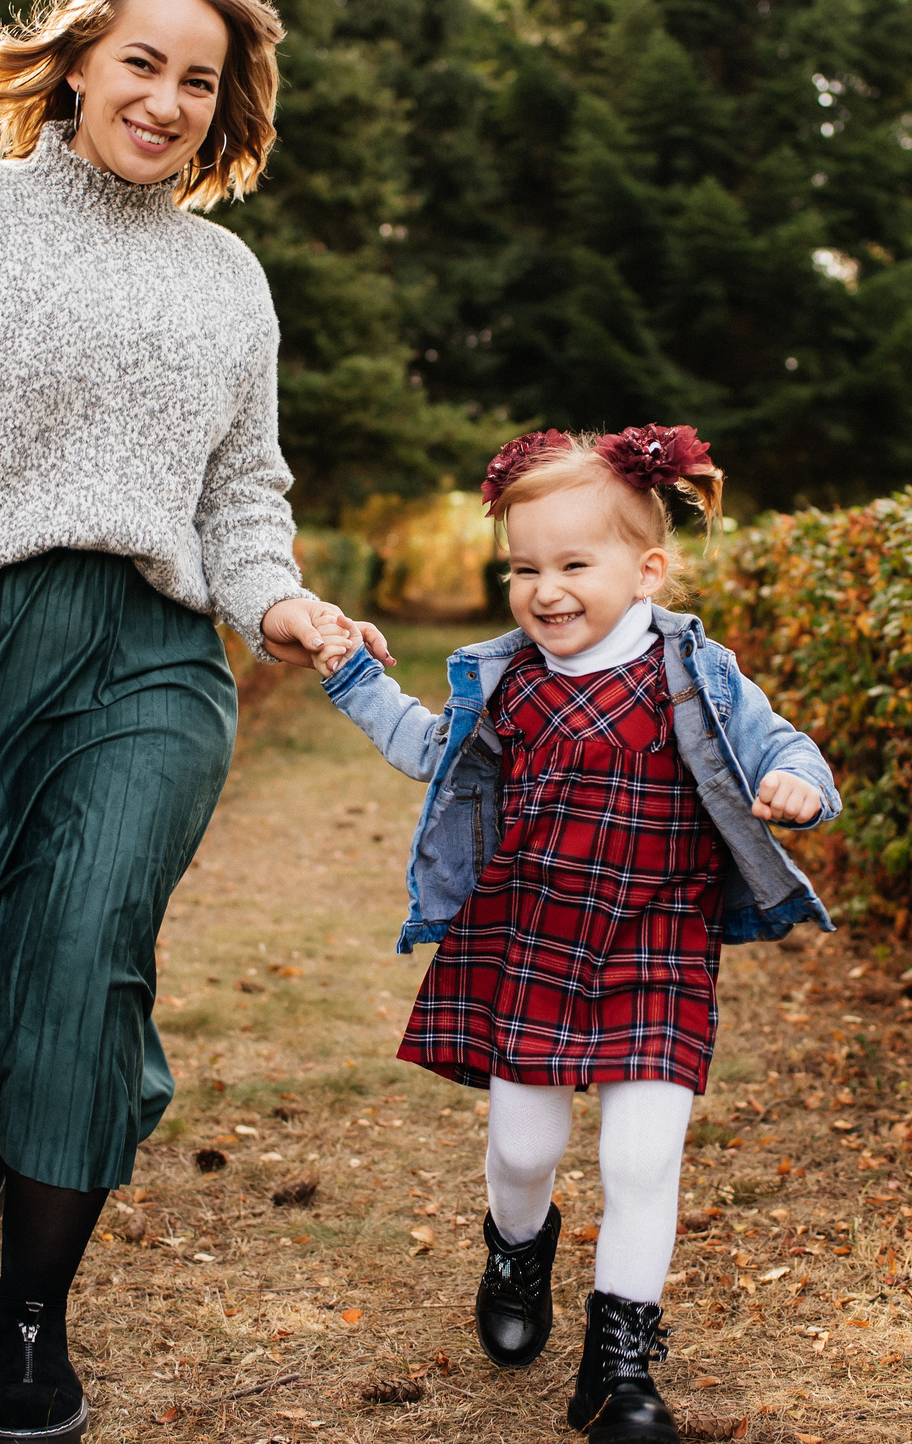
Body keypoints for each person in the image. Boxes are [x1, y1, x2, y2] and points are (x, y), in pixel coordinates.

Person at [0, 0, 381, 1444]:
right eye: (144, 63)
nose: (170, 101)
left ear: (223, 110)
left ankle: (32, 1323)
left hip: (150, 663)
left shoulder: (229, 280)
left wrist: (286, 607)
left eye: (202, 81)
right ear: (73, 63)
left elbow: (243, 496)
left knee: (83, 957)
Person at [314, 426, 841, 1444]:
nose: (544, 589)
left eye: (571, 564)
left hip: (657, 936)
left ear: (647, 569)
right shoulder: (507, 680)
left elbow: (781, 742)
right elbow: (428, 745)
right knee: (525, 1146)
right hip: (531, 936)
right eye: (523, 566)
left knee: (644, 1159)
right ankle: (518, 1245)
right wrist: (349, 672)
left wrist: (799, 784)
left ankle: (620, 1366)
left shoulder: (700, 673)